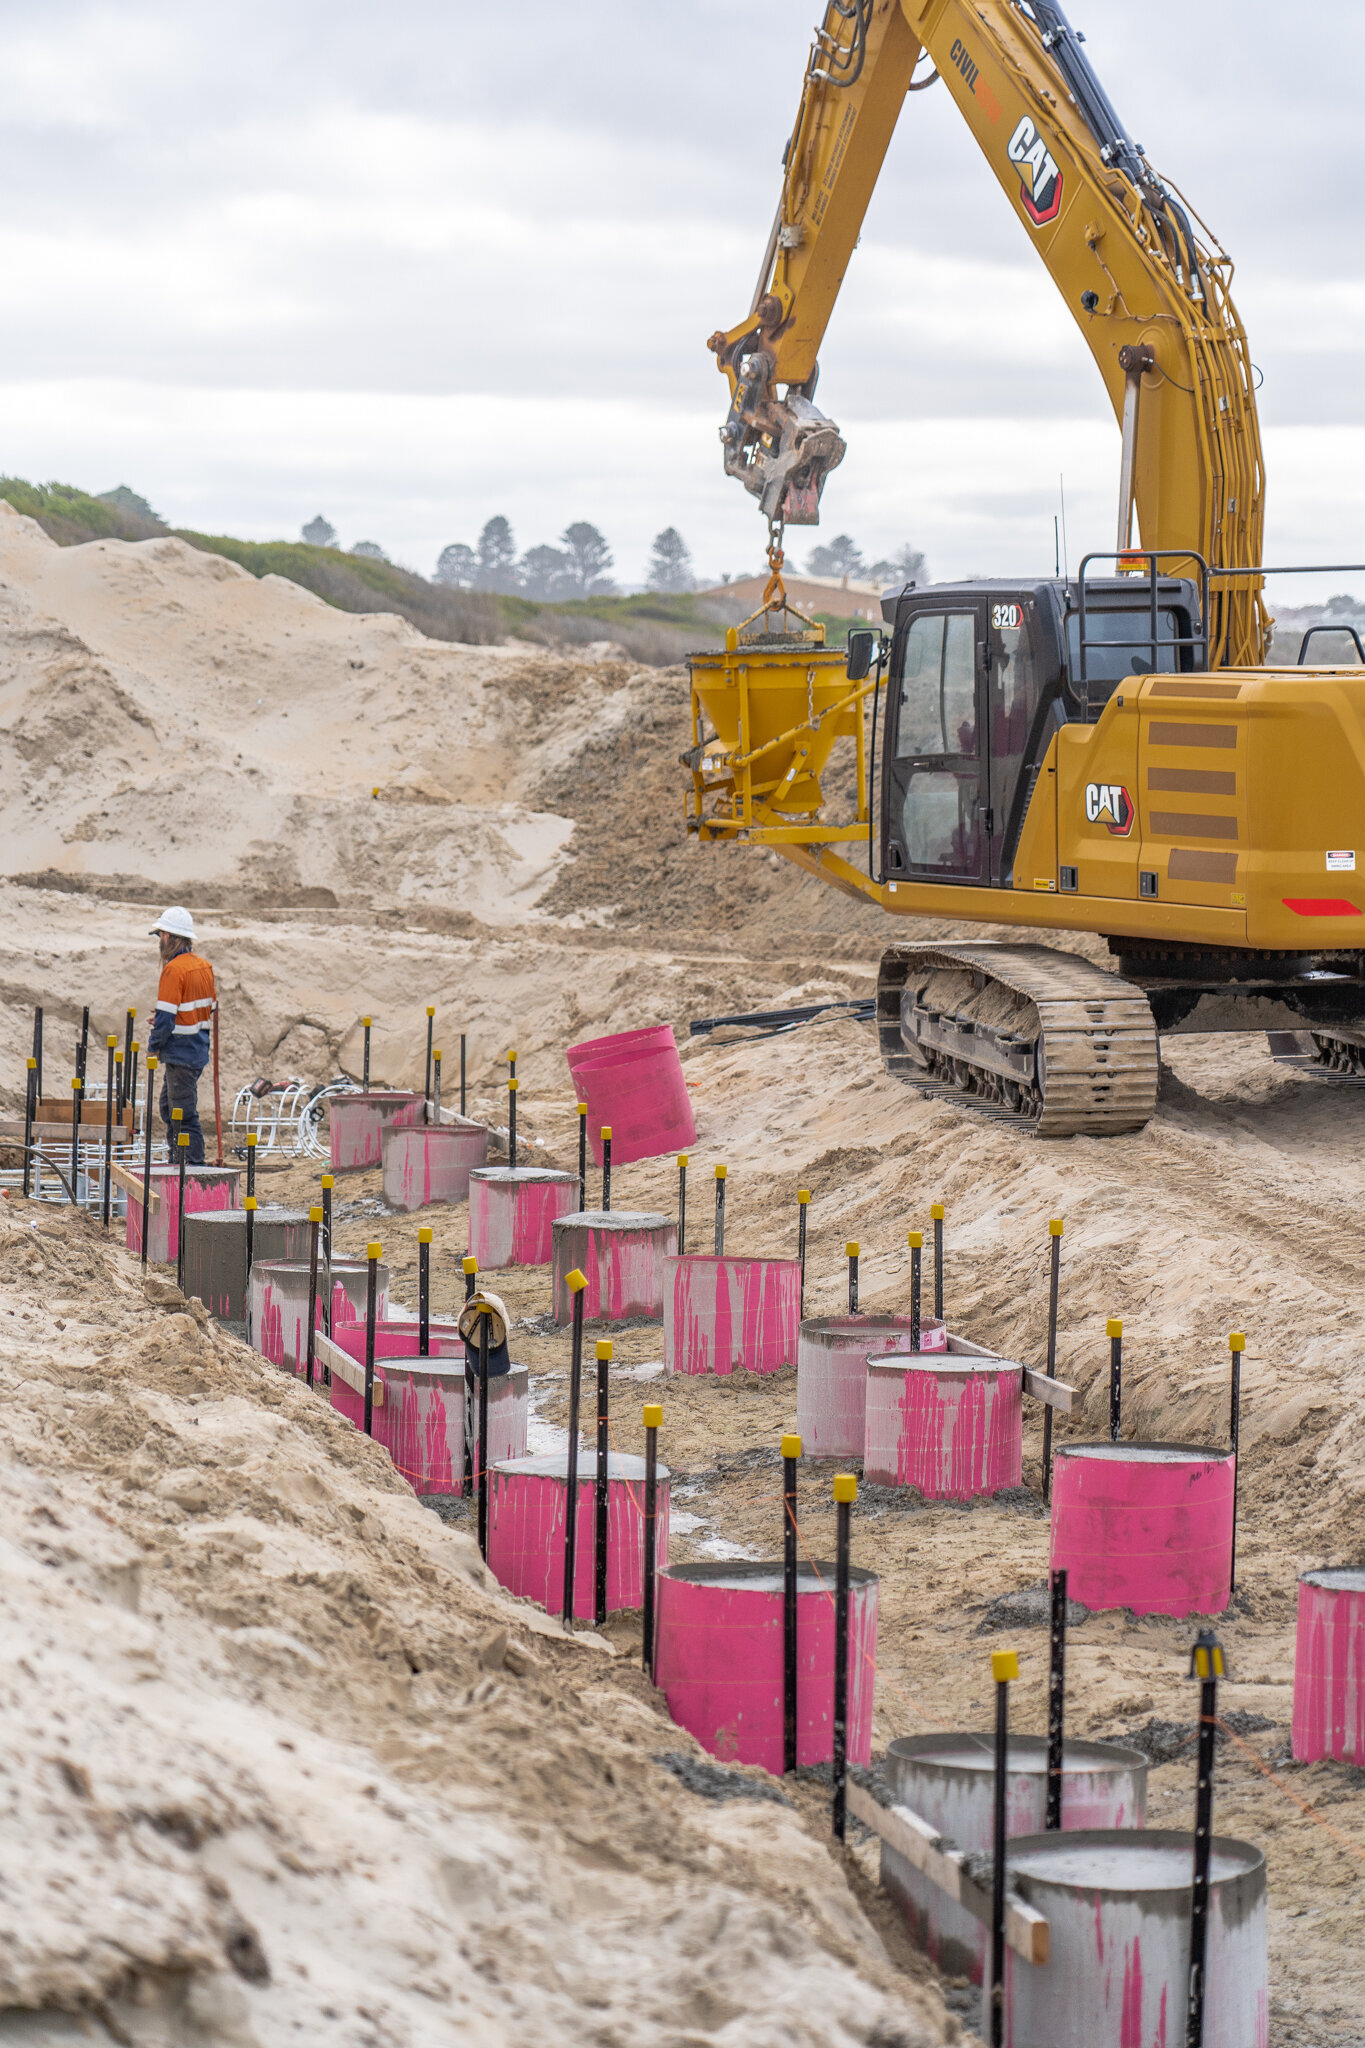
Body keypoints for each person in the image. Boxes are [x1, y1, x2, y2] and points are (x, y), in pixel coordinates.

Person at [146, 907, 216, 1166]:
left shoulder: (174, 970)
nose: (159, 941)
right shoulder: (203, 967)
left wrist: (153, 1046)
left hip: (181, 1052)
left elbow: (165, 1019)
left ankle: (192, 1165)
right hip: (196, 1049)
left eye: (160, 935)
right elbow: (207, 1009)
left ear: (168, 936)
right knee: (168, 1107)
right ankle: (179, 1159)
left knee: (183, 1114)